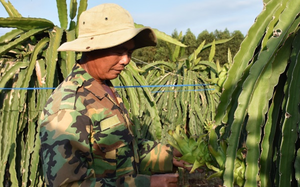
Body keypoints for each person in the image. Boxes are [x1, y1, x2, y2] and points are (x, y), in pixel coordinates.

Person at [39, 3, 190, 187]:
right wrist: (146, 184)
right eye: (119, 52)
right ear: (91, 48)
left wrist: (165, 156)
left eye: (129, 52)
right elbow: (68, 184)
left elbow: (124, 150)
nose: (126, 60)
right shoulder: (68, 106)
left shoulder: (104, 89)